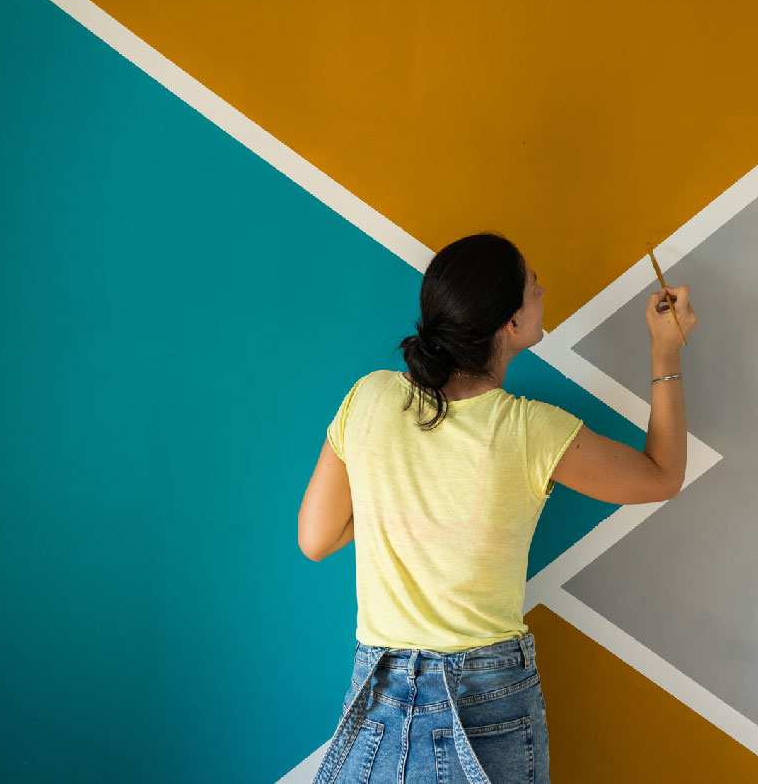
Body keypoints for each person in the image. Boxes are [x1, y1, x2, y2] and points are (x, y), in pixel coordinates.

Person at [297, 232, 697, 784]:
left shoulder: (369, 397)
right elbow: (662, 476)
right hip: (485, 699)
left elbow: (316, 539)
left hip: (380, 692)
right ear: (510, 324)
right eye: (533, 284)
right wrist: (665, 350)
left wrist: (401, 491)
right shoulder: (530, 429)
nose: (543, 290)